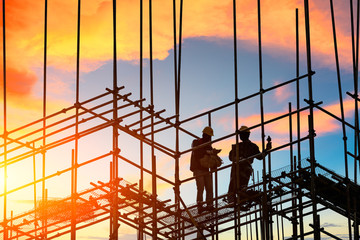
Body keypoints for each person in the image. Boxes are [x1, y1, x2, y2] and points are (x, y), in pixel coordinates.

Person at [227, 125, 272, 203]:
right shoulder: (242, 146)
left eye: (241, 134)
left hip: (242, 169)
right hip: (241, 168)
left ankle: (235, 199)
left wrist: (267, 149)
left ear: (244, 135)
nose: (240, 136)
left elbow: (260, 157)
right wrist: (267, 150)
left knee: (237, 186)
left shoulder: (248, 146)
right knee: (238, 187)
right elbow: (231, 157)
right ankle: (235, 199)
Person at [190, 126, 215, 213]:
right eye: (208, 136)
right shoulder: (196, 142)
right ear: (204, 135)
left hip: (206, 169)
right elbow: (197, 152)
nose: (209, 138)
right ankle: (200, 206)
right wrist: (207, 152)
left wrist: (214, 157)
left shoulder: (209, 146)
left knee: (209, 188)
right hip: (198, 169)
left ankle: (210, 205)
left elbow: (212, 158)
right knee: (200, 188)